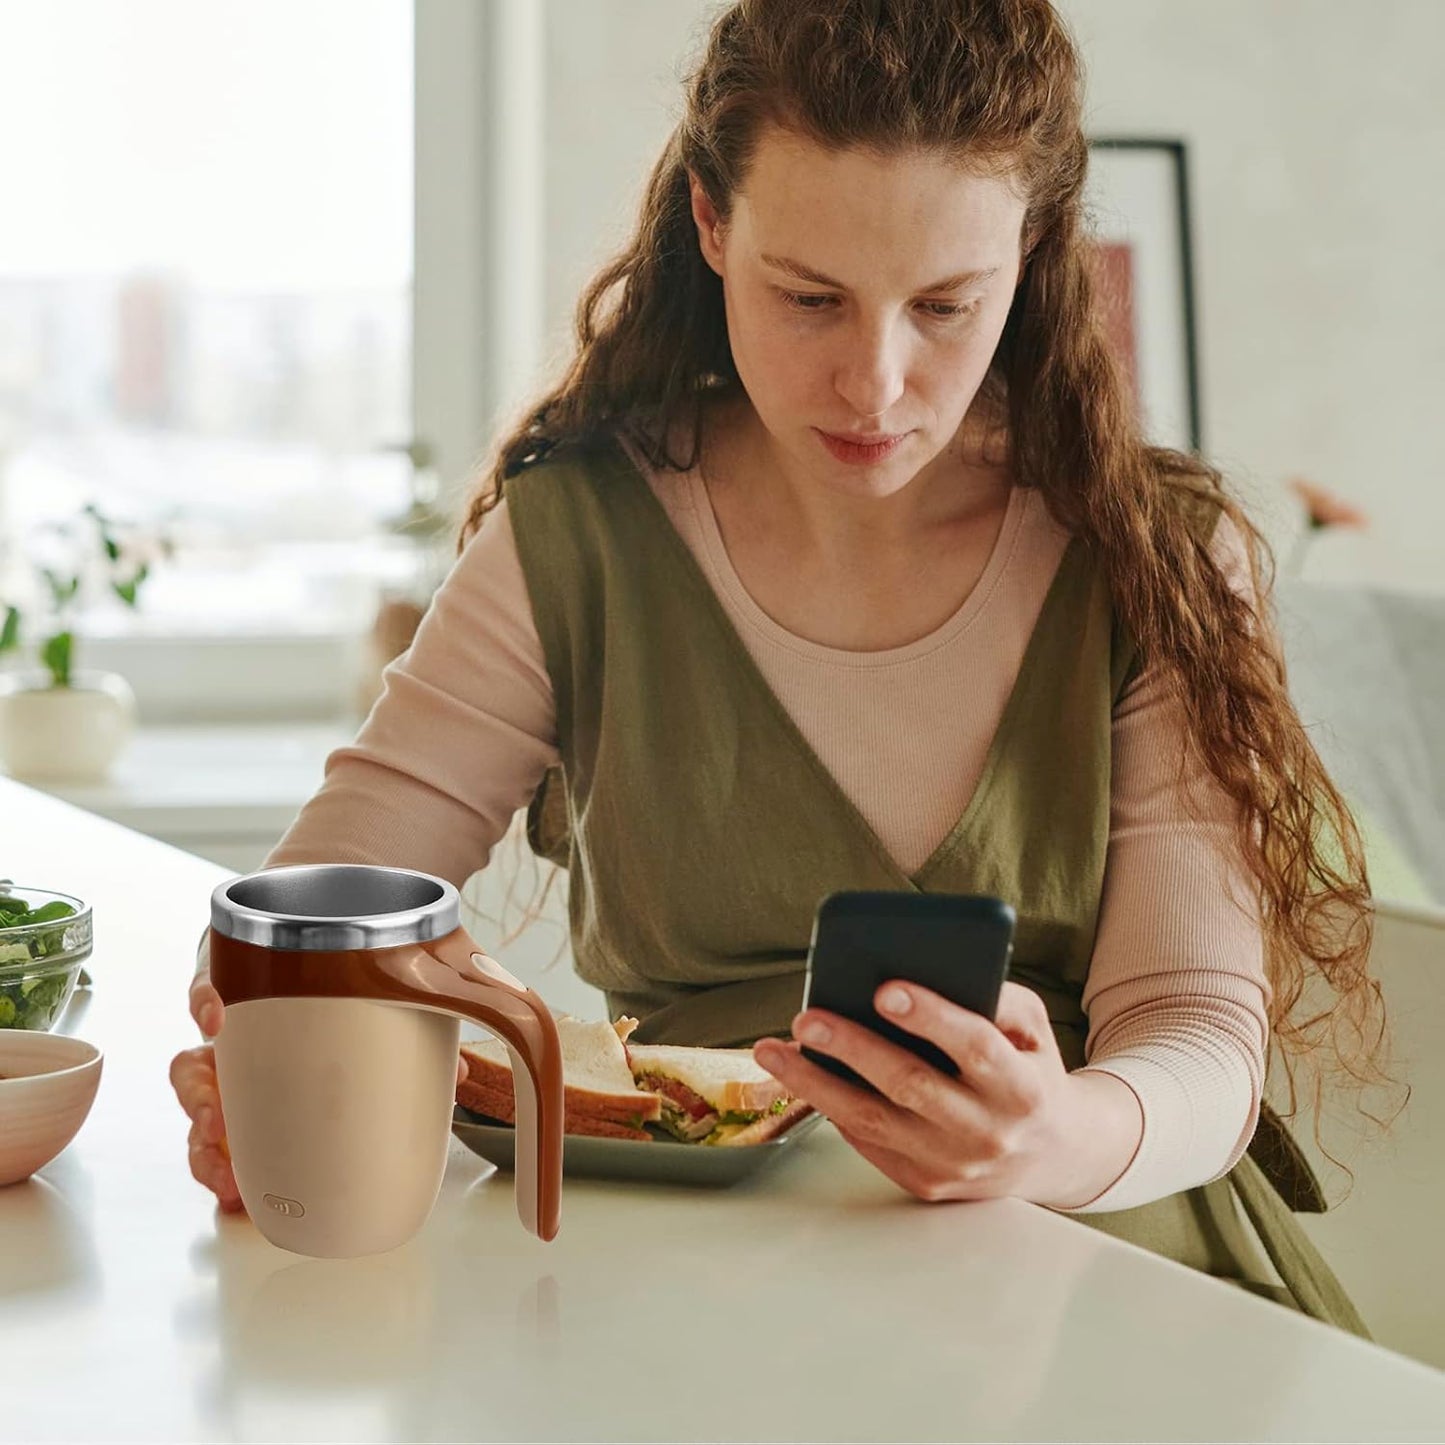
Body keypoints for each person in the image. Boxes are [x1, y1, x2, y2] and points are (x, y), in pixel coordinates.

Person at [170, 0, 1395, 1334]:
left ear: (1036, 250)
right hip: (698, 1292)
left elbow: (1199, 1034)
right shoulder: (574, 539)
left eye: (944, 306)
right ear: (710, 223)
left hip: (1112, 1268)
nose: (872, 385)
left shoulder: (1158, 558)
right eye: (808, 297)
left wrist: (1058, 1132)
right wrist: (266, 1054)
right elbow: (316, 910)